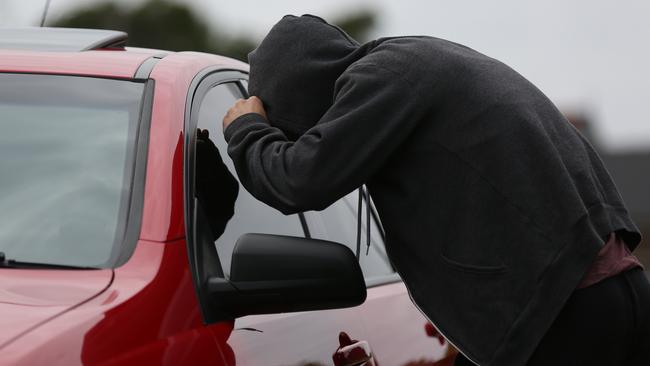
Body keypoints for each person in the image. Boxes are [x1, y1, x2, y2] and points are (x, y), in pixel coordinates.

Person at [220, 14, 649, 365]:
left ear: (295, 90)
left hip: (565, 314)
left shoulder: (383, 77)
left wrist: (246, 129)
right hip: (597, 297)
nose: (309, 135)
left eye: (293, 129)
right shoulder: (413, 63)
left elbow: (298, 181)